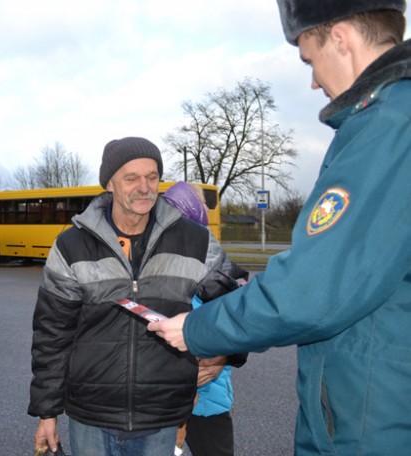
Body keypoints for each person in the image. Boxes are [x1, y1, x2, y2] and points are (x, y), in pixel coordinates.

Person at [148, 1, 411, 454]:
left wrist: (197, 329)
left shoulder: (386, 126)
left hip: (373, 420)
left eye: (309, 58)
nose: (312, 80)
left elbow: (313, 289)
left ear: (341, 38)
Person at [28, 137, 244, 456]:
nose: (144, 187)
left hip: (162, 417)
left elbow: (236, 298)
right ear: (110, 184)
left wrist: (226, 353)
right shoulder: (71, 246)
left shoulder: (194, 240)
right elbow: (52, 333)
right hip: (90, 417)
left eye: (152, 176)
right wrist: (47, 412)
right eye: (131, 178)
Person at [163, 182, 248, 456]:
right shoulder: (159, 264)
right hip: (171, 394)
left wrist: (223, 355)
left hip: (206, 395)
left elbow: (241, 325)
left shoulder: (217, 268)